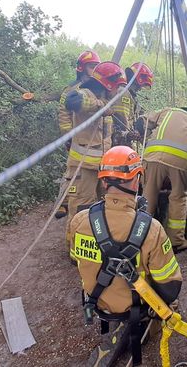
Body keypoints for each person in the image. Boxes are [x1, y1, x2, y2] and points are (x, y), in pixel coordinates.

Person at [71, 145, 182, 365]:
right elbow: (170, 289)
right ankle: (146, 330)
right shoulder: (151, 229)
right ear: (136, 179)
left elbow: (77, 260)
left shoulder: (80, 220)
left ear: (104, 182)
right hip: (133, 309)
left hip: (96, 301)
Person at [63, 61, 127, 261]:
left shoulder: (104, 100)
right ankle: (75, 252)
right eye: (116, 87)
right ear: (108, 84)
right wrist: (101, 106)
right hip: (83, 167)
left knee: (98, 209)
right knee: (81, 208)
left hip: (100, 167)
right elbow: (71, 101)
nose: (117, 92)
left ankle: (92, 246)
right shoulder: (86, 94)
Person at [136, 107, 187, 252]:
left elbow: (141, 121)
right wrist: (186, 178)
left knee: (148, 194)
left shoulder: (167, 111)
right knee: (179, 197)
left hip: (153, 155)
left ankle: (140, 236)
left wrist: (144, 137)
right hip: (183, 160)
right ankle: (176, 241)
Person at [55, 50, 101, 219]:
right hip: (76, 138)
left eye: (96, 66)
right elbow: (64, 114)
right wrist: (69, 136)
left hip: (92, 138)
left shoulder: (97, 89)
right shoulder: (71, 90)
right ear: (82, 68)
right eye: (91, 66)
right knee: (72, 172)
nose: (94, 70)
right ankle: (62, 203)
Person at [111, 62, 155, 148]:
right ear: (138, 80)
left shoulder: (130, 96)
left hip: (120, 141)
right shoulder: (124, 93)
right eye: (142, 85)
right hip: (118, 143)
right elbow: (122, 122)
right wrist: (128, 136)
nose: (140, 89)